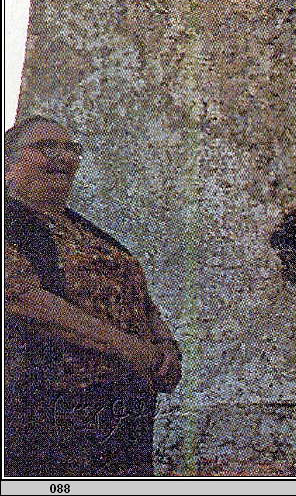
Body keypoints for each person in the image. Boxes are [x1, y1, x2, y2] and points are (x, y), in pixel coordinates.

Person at [4, 116, 182, 476]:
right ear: (8, 162)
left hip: (123, 407)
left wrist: (165, 345)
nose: (63, 157)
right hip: (51, 410)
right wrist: (131, 349)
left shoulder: (88, 231)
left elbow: (137, 293)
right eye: (46, 147)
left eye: (70, 149)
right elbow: (23, 300)